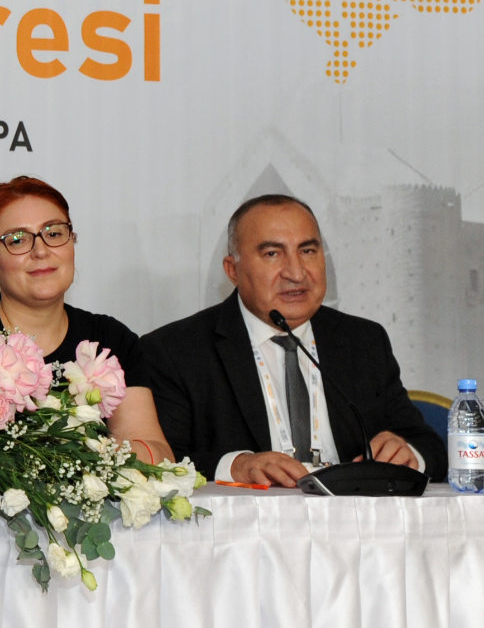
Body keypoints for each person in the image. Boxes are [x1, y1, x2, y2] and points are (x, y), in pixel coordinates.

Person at [141, 194, 443, 486]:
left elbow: (429, 446)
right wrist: (235, 466)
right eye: (272, 254)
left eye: (308, 251)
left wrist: (408, 453)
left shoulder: (363, 341)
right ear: (233, 270)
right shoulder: (176, 351)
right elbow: (157, 463)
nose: (297, 273)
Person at [0, 176, 174, 465]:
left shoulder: (110, 340)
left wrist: (83, 453)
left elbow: (158, 453)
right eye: (17, 240)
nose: (41, 251)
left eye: (53, 233)